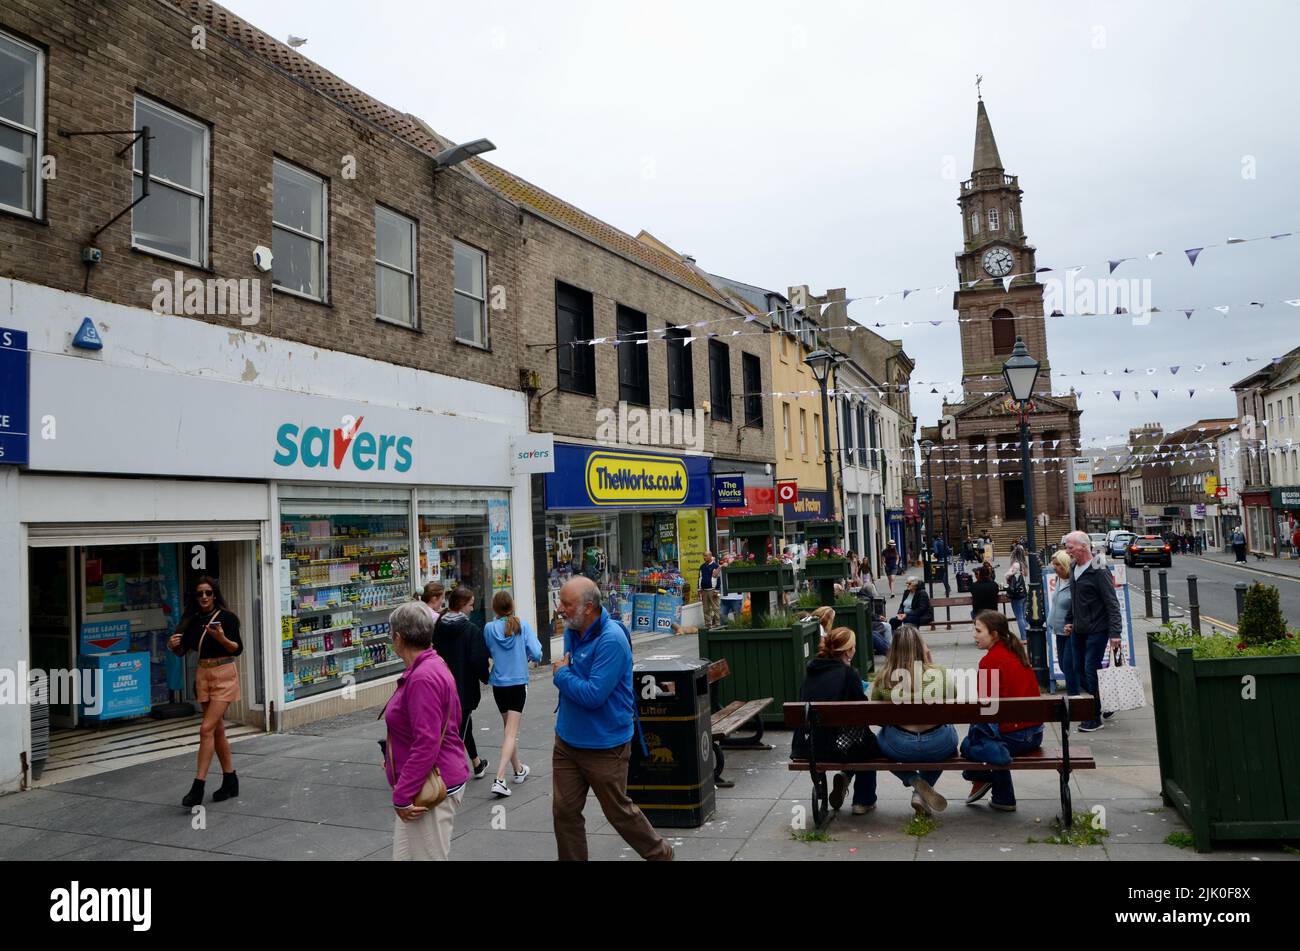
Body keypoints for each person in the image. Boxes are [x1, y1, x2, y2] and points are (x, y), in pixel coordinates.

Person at [552, 576, 673, 861]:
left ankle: (661, 855)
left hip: (606, 746)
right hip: (567, 741)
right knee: (564, 812)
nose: (560, 609)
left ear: (588, 607)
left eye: (567, 604)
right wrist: (569, 677)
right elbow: (580, 682)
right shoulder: (574, 629)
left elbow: (594, 694)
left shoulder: (612, 640)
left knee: (618, 813)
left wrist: (561, 675)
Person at [383, 601, 469, 861]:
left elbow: (427, 742)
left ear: (398, 638)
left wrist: (402, 794)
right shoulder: (430, 665)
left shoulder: (423, 677)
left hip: (430, 789)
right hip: (425, 784)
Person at [169, 576, 243, 807]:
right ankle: (230, 781)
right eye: (200, 593)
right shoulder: (190, 620)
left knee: (206, 728)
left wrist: (220, 636)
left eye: (208, 593)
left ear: (215, 595)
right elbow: (183, 651)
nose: (204, 597)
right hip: (203, 675)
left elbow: (237, 648)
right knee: (217, 730)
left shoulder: (226, 618)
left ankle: (197, 787)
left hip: (224, 673)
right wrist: (173, 646)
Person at [792, 627, 880, 815]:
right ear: (848, 651)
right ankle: (862, 800)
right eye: (854, 647)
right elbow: (863, 712)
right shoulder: (849, 674)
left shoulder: (811, 671)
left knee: (859, 740)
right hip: (836, 748)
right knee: (870, 744)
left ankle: (845, 776)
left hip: (808, 746)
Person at [869, 625, 957, 816]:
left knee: (877, 743)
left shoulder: (883, 678)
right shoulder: (939, 673)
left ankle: (914, 780)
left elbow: (876, 717)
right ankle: (920, 793)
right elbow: (953, 701)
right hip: (938, 744)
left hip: (900, 746)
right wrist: (932, 665)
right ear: (920, 647)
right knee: (950, 735)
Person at [962, 610, 1044, 812]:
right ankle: (1002, 797)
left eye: (979, 630)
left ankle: (983, 776)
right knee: (988, 739)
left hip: (1013, 739)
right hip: (1035, 735)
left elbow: (986, 710)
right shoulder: (1017, 653)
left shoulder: (988, 662)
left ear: (994, 634)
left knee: (967, 745)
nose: (974, 634)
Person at [483, 591, 543, 798]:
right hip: (517, 683)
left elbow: (488, 651)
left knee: (508, 729)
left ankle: (518, 769)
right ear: (512, 605)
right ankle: (499, 779)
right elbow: (537, 653)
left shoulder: (489, 628)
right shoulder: (522, 625)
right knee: (511, 733)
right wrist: (524, 655)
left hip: (499, 684)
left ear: (495, 608)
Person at [1063, 531, 1122, 731]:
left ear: (1083, 547)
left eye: (1070, 547)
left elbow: (1112, 603)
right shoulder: (1073, 567)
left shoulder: (1099, 570)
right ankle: (1106, 699)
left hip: (1098, 629)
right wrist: (1069, 620)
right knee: (1075, 668)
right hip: (1079, 629)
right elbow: (1075, 598)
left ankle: (1094, 717)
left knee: (1090, 669)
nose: (1067, 551)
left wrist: (1115, 633)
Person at [432, 585, 491, 779]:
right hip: (463, 687)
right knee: (460, 729)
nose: (472, 609)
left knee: (464, 725)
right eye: (471, 605)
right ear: (462, 605)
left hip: (440, 684)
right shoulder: (470, 630)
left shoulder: (439, 623)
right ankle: (447, 769)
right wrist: (486, 676)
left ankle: (476, 763)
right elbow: (477, 660)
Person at [1045, 550, 1079, 695]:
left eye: (1058, 564)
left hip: (1071, 631)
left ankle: (1075, 698)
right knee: (1064, 666)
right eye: (1054, 564)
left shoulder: (1075, 582)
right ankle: (1093, 694)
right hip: (1058, 630)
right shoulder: (1059, 579)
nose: (1055, 568)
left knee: (1069, 666)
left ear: (1065, 565)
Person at [1004, 546, 1028, 638]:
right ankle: (1027, 634)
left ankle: (1024, 636)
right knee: (1024, 616)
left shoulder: (1016, 564)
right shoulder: (1024, 565)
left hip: (1017, 594)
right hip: (1024, 592)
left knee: (1019, 617)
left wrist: (1008, 576)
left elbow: (1007, 575)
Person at [698, 551, 721, 628]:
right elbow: (700, 578)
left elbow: (718, 579)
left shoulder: (715, 566)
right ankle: (708, 625)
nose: (704, 557)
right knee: (706, 609)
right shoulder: (702, 566)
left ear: (711, 556)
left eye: (706, 556)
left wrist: (717, 590)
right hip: (704, 590)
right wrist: (699, 589)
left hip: (712, 590)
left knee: (716, 608)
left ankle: (717, 624)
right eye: (704, 556)